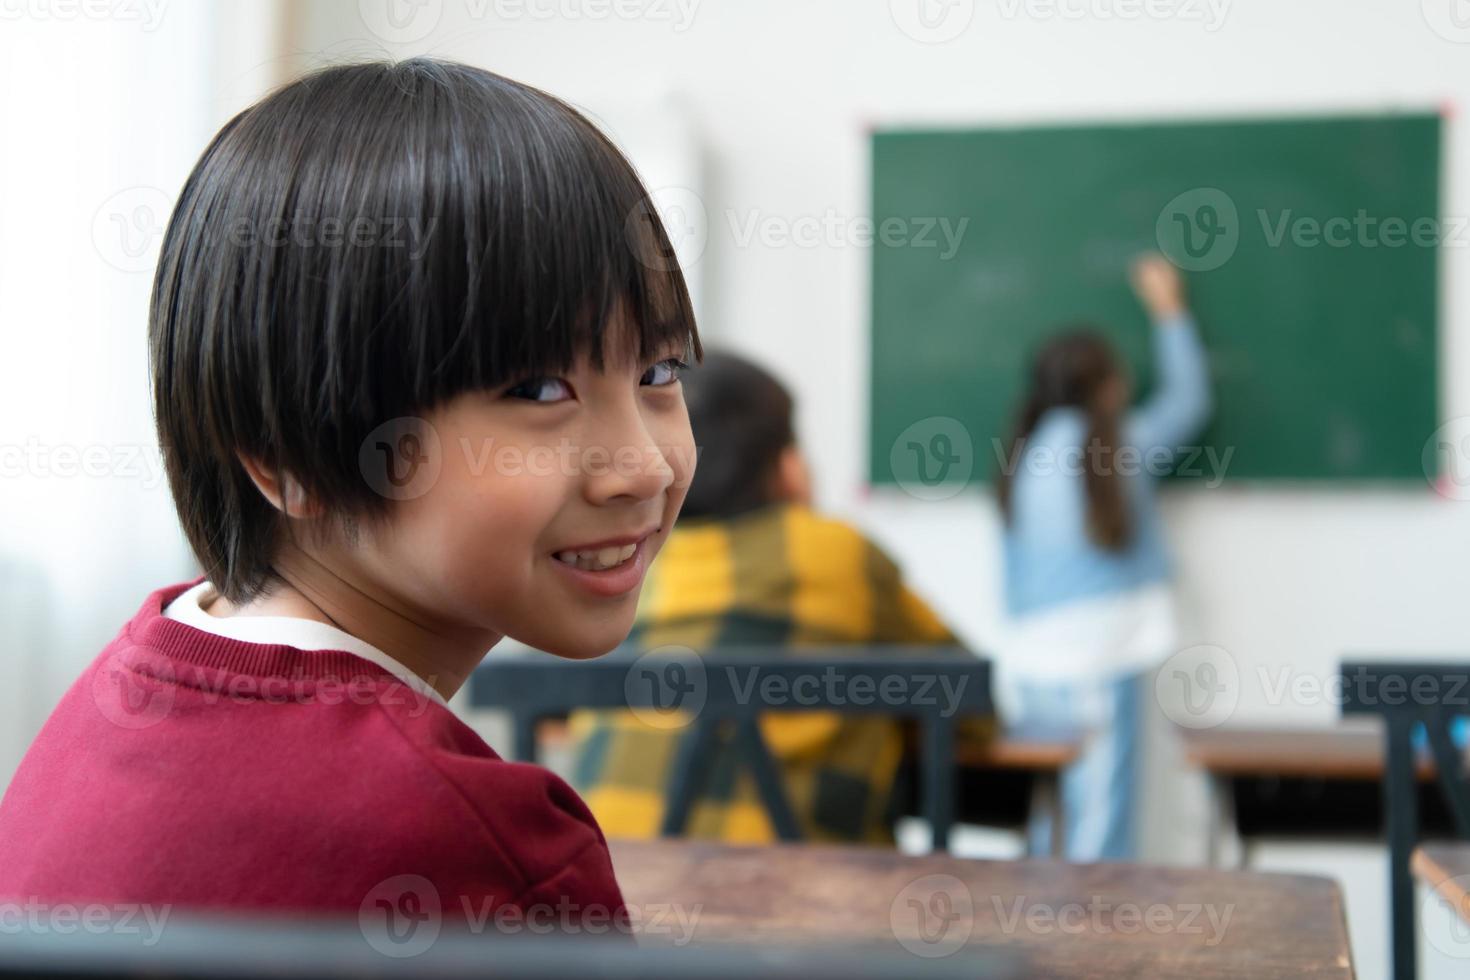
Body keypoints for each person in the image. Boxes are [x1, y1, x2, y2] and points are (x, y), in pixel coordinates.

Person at [0, 58, 702, 932]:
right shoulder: (485, 844)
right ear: (283, 454)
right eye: (535, 390)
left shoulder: (123, 690)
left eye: (659, 371)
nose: (643, 466)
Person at [568, 350, 977, 845]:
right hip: (807, 909)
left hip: (616, 898)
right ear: (787, 465)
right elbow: (969, 700)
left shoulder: (628, 563)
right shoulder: (837, 553)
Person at [995, 253, 1211, 861]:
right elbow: (1190, 402)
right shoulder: (1122, 446)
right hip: (1105, 648)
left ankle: (1039, 943)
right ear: (1108, 387)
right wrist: (1169, 310)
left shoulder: (1020, 452)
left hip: (1031, 654)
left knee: (1052, 810)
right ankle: (1092, 949)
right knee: (1102, 821)